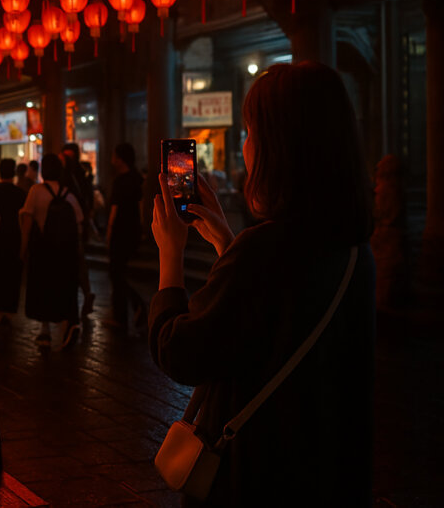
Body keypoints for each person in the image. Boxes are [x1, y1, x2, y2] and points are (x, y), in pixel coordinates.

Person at [149, 62, 375, 505]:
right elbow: (278, 310)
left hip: (261, 475)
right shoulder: (354, 249)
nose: (245, 145)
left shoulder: (265, 249)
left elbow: (180, 351)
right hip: (331, 473)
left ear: (281, 146)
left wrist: (170, 256)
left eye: (251, 132)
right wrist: (227, 244)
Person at [20, 154, 83, 348]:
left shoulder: (36, 191)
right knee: (62, 286)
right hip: (65, 251)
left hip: (43, 250)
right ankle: (66, 326)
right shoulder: (68, 193)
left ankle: (45, 332)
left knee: (42, 287)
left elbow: (28, 223)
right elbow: (79, 225)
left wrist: (23, 249)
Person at [105, 143, 147, 332]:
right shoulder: (137, 178)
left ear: (120, 158)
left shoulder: (119, 181)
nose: (112, 159)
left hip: (120, 231)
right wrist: (142, 227)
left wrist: (109, 232)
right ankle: (134, 308)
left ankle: (124, 314)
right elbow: (141, 206)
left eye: (114, 155)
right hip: (133, 230)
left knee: (116, 272)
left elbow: (114, 210)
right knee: (120, 272)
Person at [0, 158, 24, 318]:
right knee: (12, 275)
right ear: (14, 172)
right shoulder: (21, 194)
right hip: (14, 238)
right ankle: (8, 310)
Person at [61, 143, 95, 317]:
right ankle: (86, 293)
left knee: (76, 260)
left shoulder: (69, 177)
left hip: (74, 224)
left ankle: (80, 297)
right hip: (79, 223)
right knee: (79, 261)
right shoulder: (80, 174)